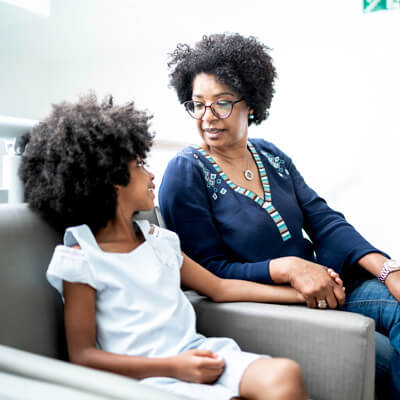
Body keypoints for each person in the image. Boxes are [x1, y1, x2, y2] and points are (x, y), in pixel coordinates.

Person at [18, 94, 309, 400]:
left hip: (198, 354)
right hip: (148, 379)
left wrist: (299, 295)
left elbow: (221, 288)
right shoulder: (82, 260)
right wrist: (174, 367)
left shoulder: (159, 241)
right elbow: (84, 356)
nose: (151, 173)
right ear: (111, 178)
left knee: (284, 374)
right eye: (140, 164)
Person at [158, 33, 400, 399]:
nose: (208, 117)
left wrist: (386, 268)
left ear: (251, 104)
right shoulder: (185, 172)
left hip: (324, 289)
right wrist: (286, 268)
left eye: (222, 103)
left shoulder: (270, 155)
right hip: (270, 307)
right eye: (198, 104)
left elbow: (322, 218)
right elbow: (205, 271)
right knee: (383, 354)